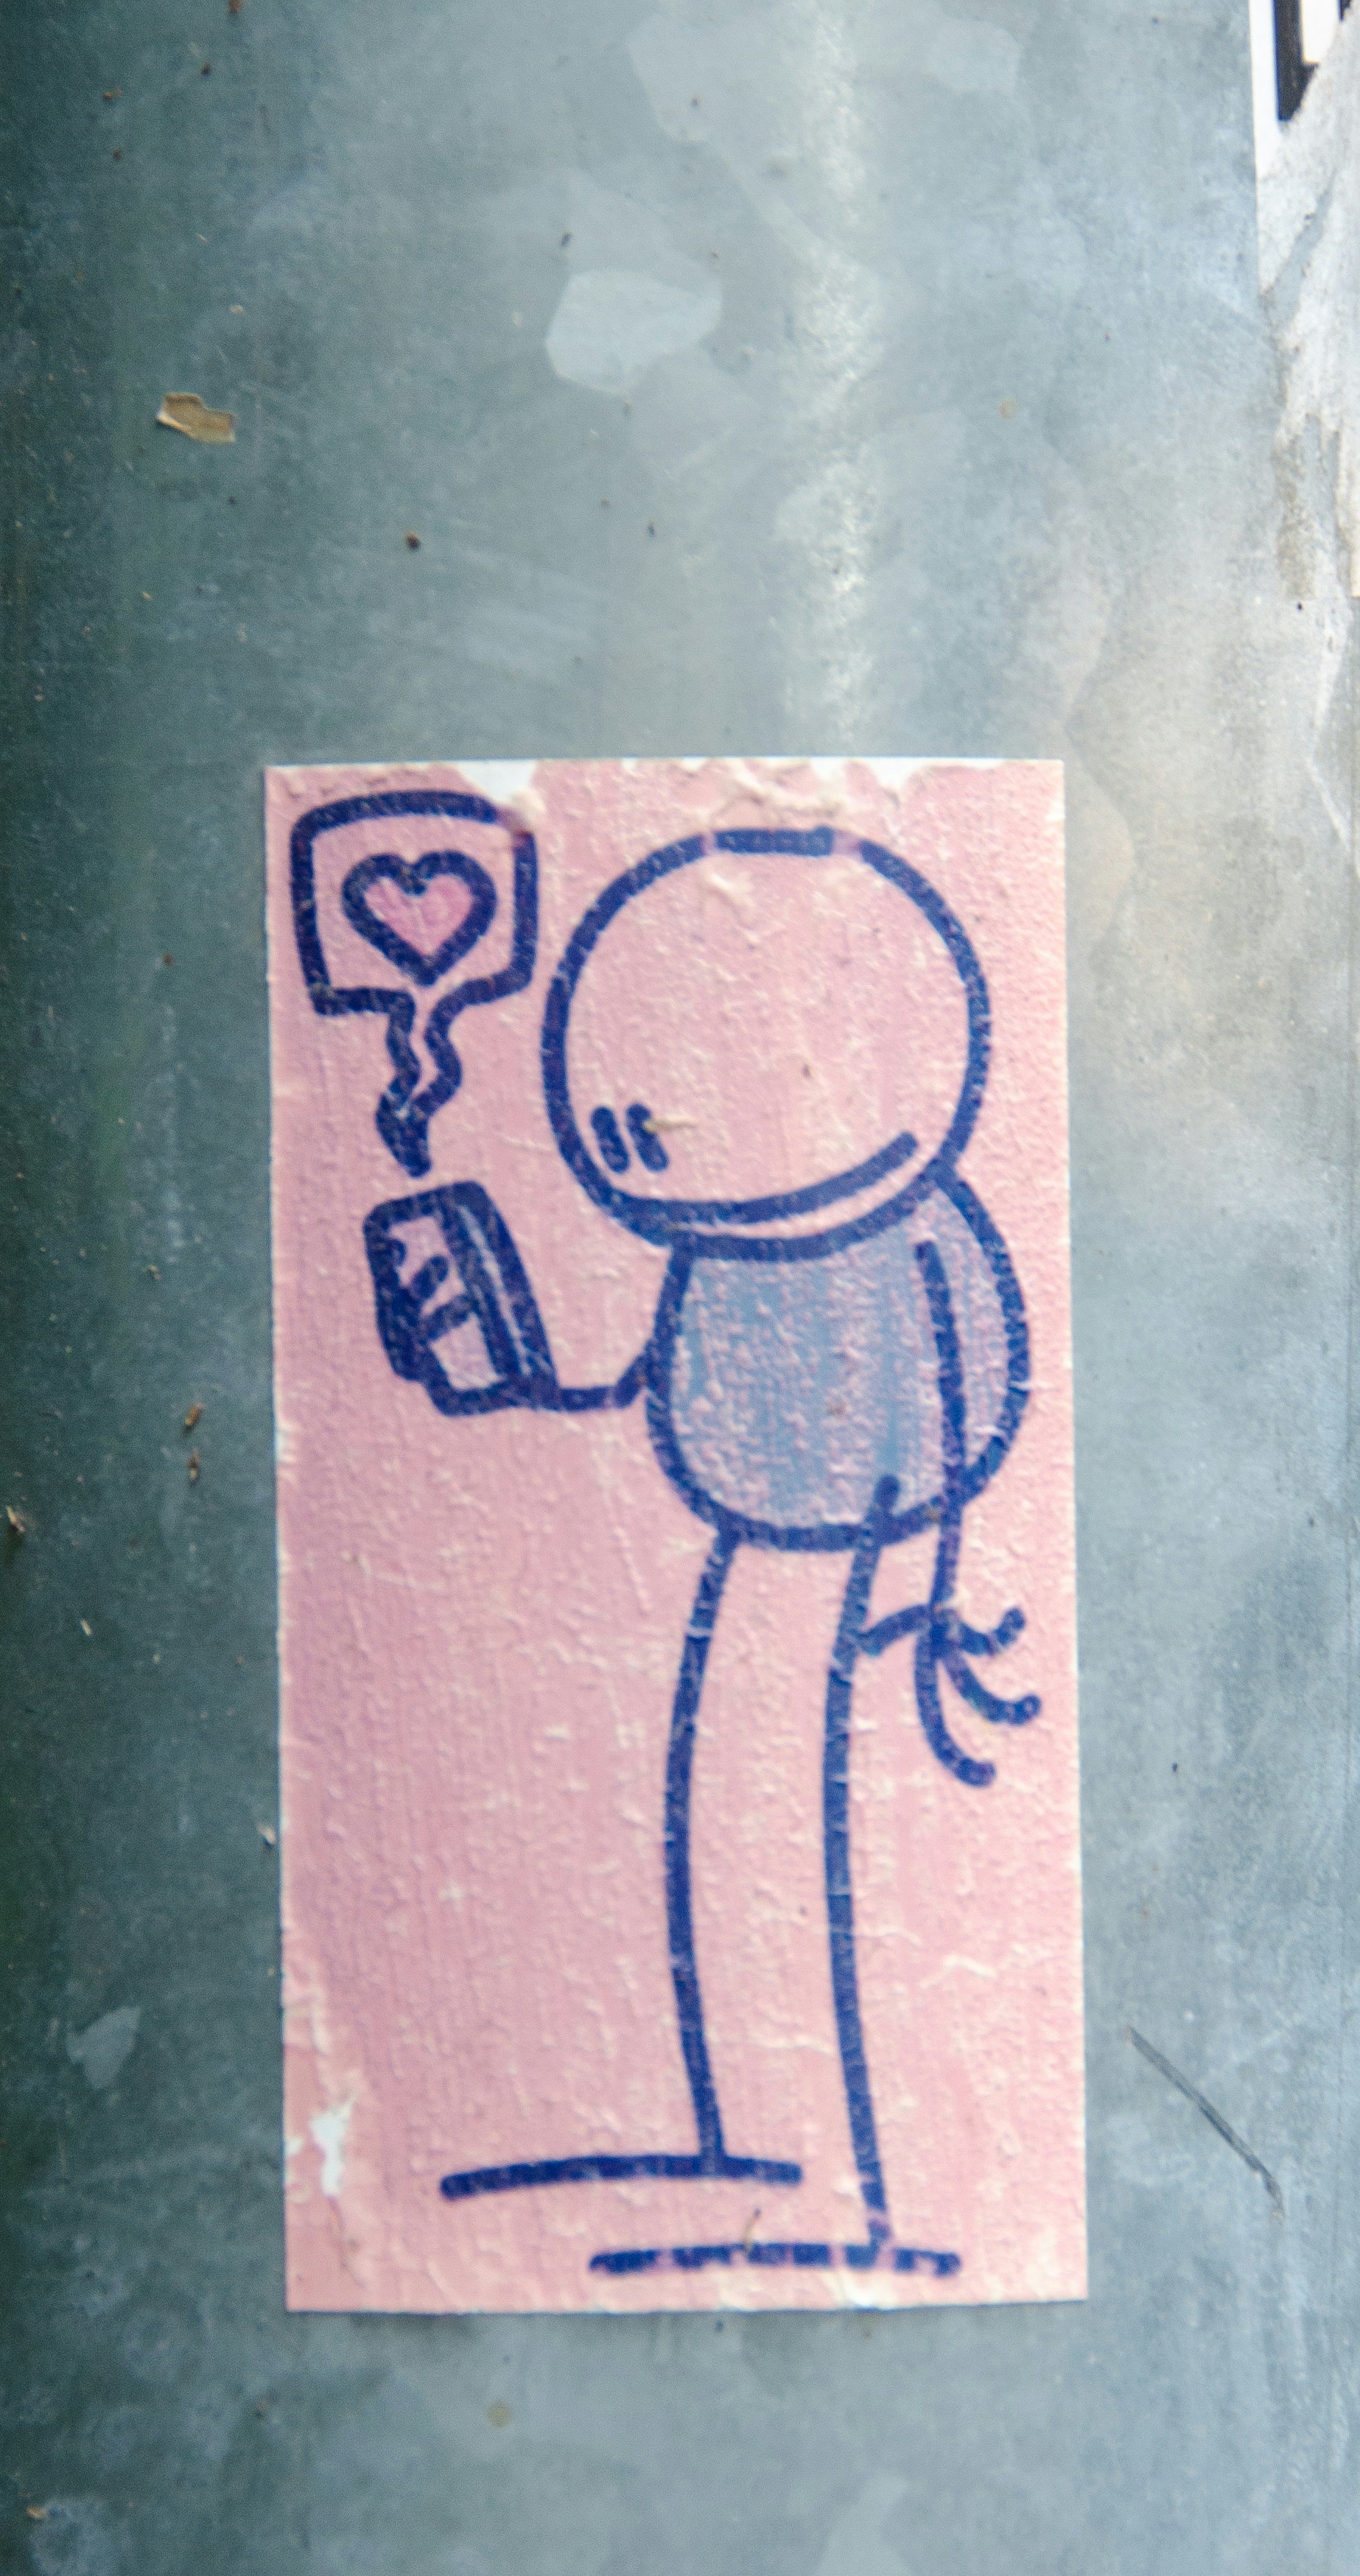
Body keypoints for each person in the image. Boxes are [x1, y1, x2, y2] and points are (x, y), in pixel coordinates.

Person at [373, 824, 1037, 2278]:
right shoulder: (728, 1271)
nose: (623, 1136)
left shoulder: (899, 1252)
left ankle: (832, 2166)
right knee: (729, 1824)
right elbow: (646, 1386)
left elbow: (954, 1405)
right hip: (764, 1554)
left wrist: (929, 1614)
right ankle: (765, 2141)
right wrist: (505, 1364)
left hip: (844, 1570)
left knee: (795, 1841)